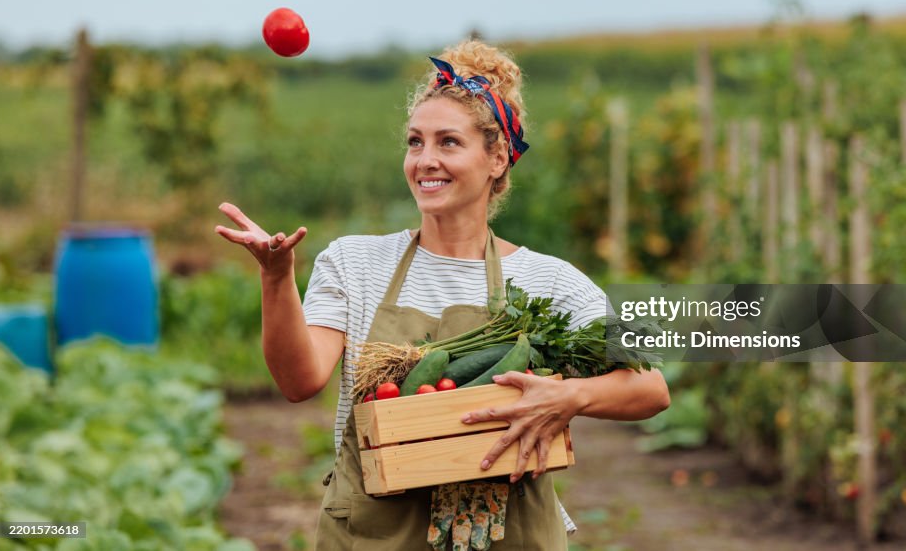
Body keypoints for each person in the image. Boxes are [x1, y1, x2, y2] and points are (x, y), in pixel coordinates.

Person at [215, 40, 670, 550]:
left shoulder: (549, 280)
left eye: (448, 142)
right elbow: (299, 381)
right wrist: (277, 279)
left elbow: (650, 388)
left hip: (508, 535)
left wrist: (569, 397)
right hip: (373, 534)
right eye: (415, 142)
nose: (425, 160)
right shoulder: (355, 263)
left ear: (497, 158)